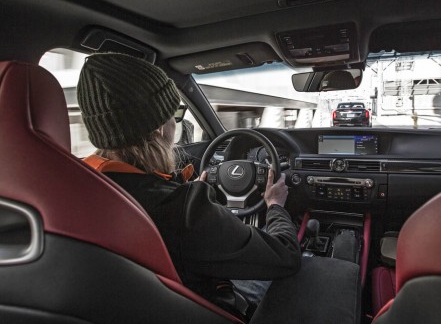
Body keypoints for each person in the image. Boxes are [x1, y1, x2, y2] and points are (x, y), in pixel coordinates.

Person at [77, 53, 301, 319]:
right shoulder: (184, 211)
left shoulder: (77, 183)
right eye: (176, 113)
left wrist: (186, 191)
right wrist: (275, 206)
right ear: (160, 128)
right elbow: (285, 256)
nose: (176, 122)